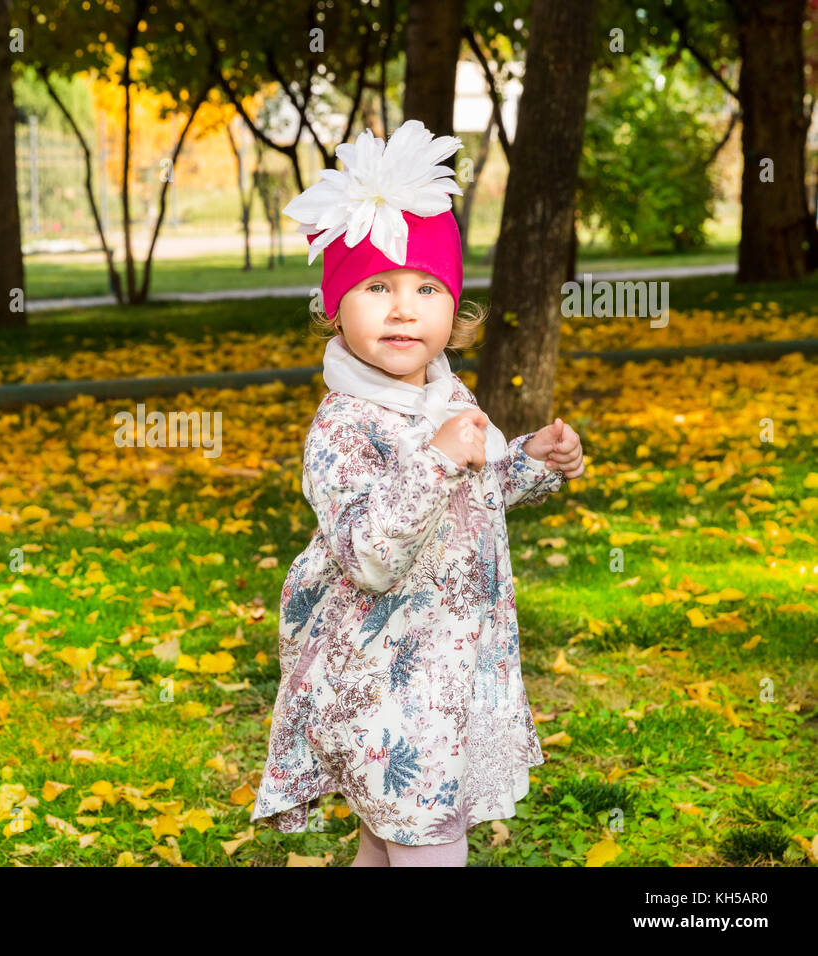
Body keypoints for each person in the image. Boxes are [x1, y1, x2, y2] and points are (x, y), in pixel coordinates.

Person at [249, 121, 586, 866]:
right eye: (377, 287)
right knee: (430, 846)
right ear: (335, 307)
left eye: (426, 288)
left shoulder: (438, 395)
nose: (404, 309)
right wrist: (436, 459)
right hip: (383, 680)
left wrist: (532, 456)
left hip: (446, 670)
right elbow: (369, 553)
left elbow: (476, 493)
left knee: (389, 837)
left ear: (454, 309)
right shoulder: (344, 426)